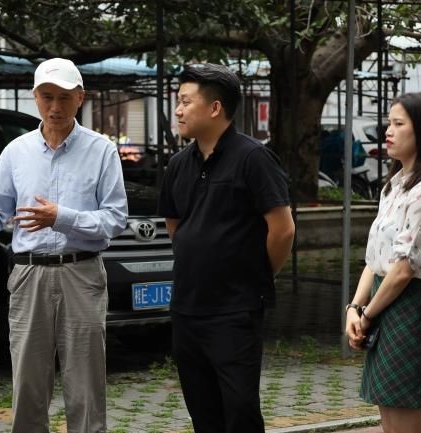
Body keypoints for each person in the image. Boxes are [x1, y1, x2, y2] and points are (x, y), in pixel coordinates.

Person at [0, 57, 127, 433]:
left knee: (86, 386)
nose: (55, 107)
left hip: (81, 273)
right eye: (47, 97)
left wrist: (62, 217)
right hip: (29, 275)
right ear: (35, 97)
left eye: (64, 97)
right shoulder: (17, 151)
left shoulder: (101, 151)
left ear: (81, 98)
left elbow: (115, 219)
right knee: (27, 384)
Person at [157, 63, 295, 433]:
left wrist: (256, 273)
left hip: (234, 310)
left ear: (215, 108)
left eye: (186, 101)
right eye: (178, 101)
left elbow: (282, 230)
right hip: (187, 308)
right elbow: (174, 225)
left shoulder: (253, 158)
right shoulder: (178, 165)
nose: (178, 110)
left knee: (240, 410)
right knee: (203, 411)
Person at [345, 92, 421, 433]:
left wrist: (367, 315)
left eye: (398, 124)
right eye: (388, 123)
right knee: (389, 420)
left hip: (410, 307)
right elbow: (375, 259)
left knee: (404, 419)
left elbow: (404, 269)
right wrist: (355, 308)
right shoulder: (394, 187)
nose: (388, 132)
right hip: (383, 301)